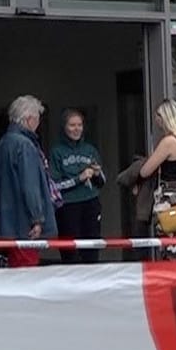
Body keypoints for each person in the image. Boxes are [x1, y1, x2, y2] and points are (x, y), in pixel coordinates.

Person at [118, 98, 176, 261]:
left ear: (166, 117)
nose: (157, 120)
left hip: (168, 200)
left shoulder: (168, 142)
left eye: (159, 116)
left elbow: (146, 171)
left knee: (168, 248)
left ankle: (171, 282)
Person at [0, 94, 58, 267]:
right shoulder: (25, 146)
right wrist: (37, 218)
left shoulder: (4, 142)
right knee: (27, 269)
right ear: (29, 119)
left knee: (16, 267)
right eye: (37, 119)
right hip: (23, 222)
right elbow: (30, 186)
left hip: (7, 219)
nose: (38, 124)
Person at [50, 108, 106, 264]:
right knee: (70, 251)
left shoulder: (90, 150)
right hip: (68, 206)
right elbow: (54, 185)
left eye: (79, 125)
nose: (76, 129)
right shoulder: (57, 152)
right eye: (72, 125)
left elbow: (103, 181)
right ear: (64, 127)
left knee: (92, 247)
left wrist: (97, 173)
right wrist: (78, 178)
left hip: (91, 202)